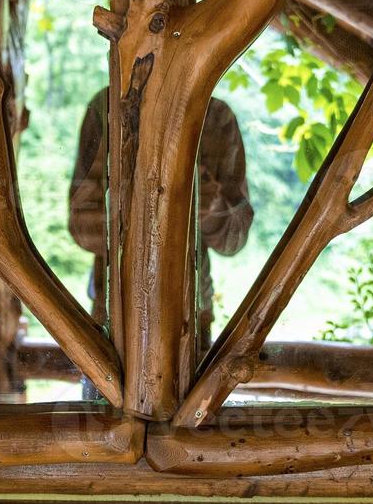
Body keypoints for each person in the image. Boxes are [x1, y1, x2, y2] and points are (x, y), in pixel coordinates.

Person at [68, 88, 253, 348]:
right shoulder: (108, 107)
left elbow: (235, 239)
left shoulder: (216, 117)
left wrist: (210, 209)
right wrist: (137, 204)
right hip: (113, 319)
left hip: (192, 321)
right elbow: (82, 228)